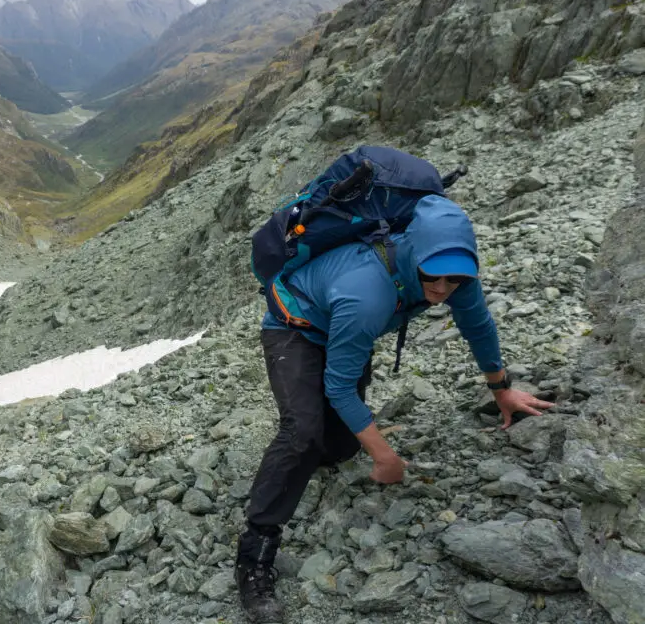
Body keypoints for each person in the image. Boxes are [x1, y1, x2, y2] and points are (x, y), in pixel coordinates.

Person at [235, 194, 554, 622]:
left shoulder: (452, 273)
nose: (441, 291)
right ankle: (254, 554)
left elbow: (478, 326)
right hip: (295, 326)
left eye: (454, 281)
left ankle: (317, 437)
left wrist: (502, 390)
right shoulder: (367, 292)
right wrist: (385, 455)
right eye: (432, 278)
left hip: (343, 327)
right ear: (414, 255)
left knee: (341, 448)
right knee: (302, 435)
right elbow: (340, 387)